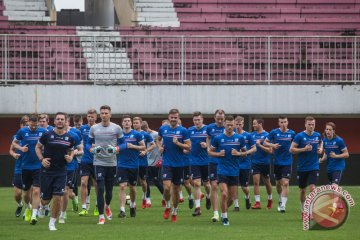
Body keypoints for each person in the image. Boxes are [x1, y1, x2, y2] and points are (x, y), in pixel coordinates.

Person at [35, 112, 81, 231]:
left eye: (62, 119)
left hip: (61, 172)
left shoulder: (70, 137)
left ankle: (52, 223)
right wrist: (42, 159)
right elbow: (37, 147)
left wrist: (71, 157)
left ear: (66, 122)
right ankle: (42, 206)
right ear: (54, 121)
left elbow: (71, 150)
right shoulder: (47, 135)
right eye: (58, 119)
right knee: (45, 200)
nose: (60, 121)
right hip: (47, 171)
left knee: (58, 197)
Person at [86, 105, 125, 225]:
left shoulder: (117, 128)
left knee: (109, 192)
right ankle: (101, 216)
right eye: (102, 113)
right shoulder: (94, 128)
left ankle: (107, 206)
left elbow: (124, 144)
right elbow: (87, 144)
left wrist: (116, 148)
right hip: (98, 162)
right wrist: (92, 150)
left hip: (112, 163)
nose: (104, 115)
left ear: (110, 114)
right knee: (100, 188)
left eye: (106, 113)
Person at [208, 116, 247, 226]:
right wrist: (218, 154)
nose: (230, 127)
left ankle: (223, 210)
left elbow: (245, 153)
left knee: (231, 198)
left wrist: (239, 153)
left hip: (234, 171)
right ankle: (225, 217)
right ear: (225, 125)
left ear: (234, 125)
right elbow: (210, 152)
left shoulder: (240, 138)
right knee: (224, 194)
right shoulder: (218, 138)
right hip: (222, 170)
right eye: (228, 125)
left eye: (231, 125)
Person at [12, 114, 47, 225]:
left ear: (38, 123)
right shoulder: (22, 131)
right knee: (26, 194)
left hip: (38, 166)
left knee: (36, 191)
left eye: (35, 125)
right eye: (31, 125)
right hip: (25, 167)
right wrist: (21, 148)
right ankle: (27, 207)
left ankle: (34, 214)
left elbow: (48, 143)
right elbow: (14, 143)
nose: (33, 127)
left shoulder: (43, 131)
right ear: (29, 124)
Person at [157, 108, 191, 222]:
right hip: (167, 163)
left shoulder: (183, 130)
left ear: (178, 118)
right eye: (171, 117)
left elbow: (188, 146)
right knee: (166, 187)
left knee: (176, 190)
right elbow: (158, 139)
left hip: (179, 164)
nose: (173, 119)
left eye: (175, 118)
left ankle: (175, 211)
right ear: (168, 117)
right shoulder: (163, 129)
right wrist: (159, 148)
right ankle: (167, 206)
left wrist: (178, 143)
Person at [290, 116, 322, 218]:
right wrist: (303, 149)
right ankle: (303, 209)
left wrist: (320, 149)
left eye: (313, 124)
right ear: (305, 124)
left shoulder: (318, 135)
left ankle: (311, 211)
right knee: (303, 190)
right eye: (309, 124)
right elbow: (291, 149)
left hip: (314, 166)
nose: (311, 126)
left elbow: (321, 144)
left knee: (312, 188)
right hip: (302, 167)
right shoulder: (299, 136)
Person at [264, 116, 295, 213]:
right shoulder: (274, 132)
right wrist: (273, 145)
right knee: (278, 183)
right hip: (277, 162)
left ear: (287, 122)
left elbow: (297, 144)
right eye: (281, 122)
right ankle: (280, 198)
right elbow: (265, 142)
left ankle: (283, 206)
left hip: (287, 161)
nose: (283, 124)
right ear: (279, 123)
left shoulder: (292, 133)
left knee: (285, 183)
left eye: (285, 122)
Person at [117, 115, 145, 218]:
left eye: (129, 121)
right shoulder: (119, 135)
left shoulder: (136, 134)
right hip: (121, 164)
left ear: (131, 123)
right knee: (122, 186)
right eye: (125, 121)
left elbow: (143, 147)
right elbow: (115, 146)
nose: (127, 123)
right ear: (122, 123)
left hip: (133, 164)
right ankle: (122, 210)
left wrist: (133, 146)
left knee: (132, 187)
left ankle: (132, 205)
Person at [58, 119, 83, 223]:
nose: (62, 123)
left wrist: (72, 155)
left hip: (70, 167)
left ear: (68, 123)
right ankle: (74, 198)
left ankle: (62, 215)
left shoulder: (74, 135)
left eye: (64, 121)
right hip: (57, 167)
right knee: (65, 193)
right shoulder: (53, 135)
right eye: (59, 120)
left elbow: (81, 150)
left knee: (65, 191)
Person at [319, 122, 349, 213]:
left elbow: (346, 154)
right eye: (327, 129)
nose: (328, 131)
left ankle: (334, 207)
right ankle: (340, 205)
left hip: (338, 167)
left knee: (334, 187)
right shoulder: (325, 141)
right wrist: (322, 159)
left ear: (333, 131)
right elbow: (326, 153)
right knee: (334, 188)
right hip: (329, 167)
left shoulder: (339, 140)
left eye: (330, 130)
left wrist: (336, 156)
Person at [188, 111, 211, 216]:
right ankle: (198, 208)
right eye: (195, 120)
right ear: (193, 121)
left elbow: (213, 142)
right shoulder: (190, 130)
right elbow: (187, 143)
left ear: (202, 120)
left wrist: (206, 145)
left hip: (206, 160)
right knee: (196, 183)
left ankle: (208, 196)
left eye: (199, 120)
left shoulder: (207, 129)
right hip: (194, 161)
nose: (197, 122)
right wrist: (187, 149)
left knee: (206, 184)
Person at [206, 109, 225, 222]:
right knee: (214, 186)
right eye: (218, 118)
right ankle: (215, 213)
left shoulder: (228, 127)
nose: (220, 120)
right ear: (214, 117)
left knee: (225, 190)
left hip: (225, 162)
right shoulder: (210, 128)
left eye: (221, 118)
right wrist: (208, 147)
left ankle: (224, 210)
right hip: (213, 159)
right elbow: (208, 137)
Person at [233, 116, 256, 211]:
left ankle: (247, 197)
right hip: (233, 164)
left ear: (243, 124)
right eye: (237, 124)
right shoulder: (231, 135)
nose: (238, 126)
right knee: (234, 185)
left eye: (240, 124)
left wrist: (245, 153)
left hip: (245, 164)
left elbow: (254, 148)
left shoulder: (248, 135)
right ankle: (236, 205)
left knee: (244, 187)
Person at [132, 117, 156, 209]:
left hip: (142, 161)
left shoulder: (145, 134)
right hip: (132, 161)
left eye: (137, 123)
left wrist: (145, 151)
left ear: (141, 123)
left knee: (143, 181)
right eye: (134, 123)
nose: (135, 124)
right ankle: (133, 203)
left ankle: (145, 196)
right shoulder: (130, 133)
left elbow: (153, 145)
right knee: (132, 183)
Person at [79, 109, 99, 216]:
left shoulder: (99, 128)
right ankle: (84, 207)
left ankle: (97, 205)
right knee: (83, 182)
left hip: (97, 160)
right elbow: (78, 140)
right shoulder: (82, 128)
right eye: (88, 116)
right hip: (85, 159)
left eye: (92, 116)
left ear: (96, 118)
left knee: (96, 184)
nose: (90, 118)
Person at [9, 115, 29, 217]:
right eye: (24, 124)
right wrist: (14, 154)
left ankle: (27, 210)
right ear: (21, 125)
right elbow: (11, 150)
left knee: (28, 192)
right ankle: (20, 204)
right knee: (17, 194)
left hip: (30, 168)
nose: (26, 126)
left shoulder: (32, 135)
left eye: (27, 124)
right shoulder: (16, 137)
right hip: (19, 168)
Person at [251, 118, 273, 210]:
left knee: (267, 182)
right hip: (255, 162)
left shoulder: (267, 135)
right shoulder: (252, 135)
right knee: (256, 182)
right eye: (253, 124)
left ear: (260, 124)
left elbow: (270, 150)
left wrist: (260, 145)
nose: (253, 125)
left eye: (255, 124)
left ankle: (270, 199)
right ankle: (257, 203)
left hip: (265, 163)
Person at [141, 121, 164, 207]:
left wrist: (161, 157)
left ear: (146, 128)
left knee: (156, 180)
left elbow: (161, 145)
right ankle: (148, 199)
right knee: (146, 180)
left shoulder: (155, 134)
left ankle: (164, 195)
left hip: (155, 161)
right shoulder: (142, 135)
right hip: (146, 161)